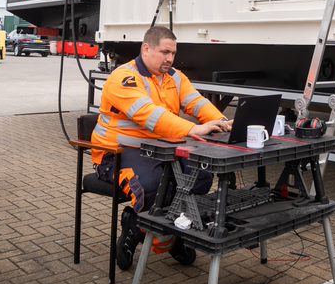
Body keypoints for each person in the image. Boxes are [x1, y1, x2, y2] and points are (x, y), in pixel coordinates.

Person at [92, 25, 231, 268]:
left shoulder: (175, 77)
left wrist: (220, 121)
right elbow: (148, 114)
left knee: (201, 178)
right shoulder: (123, 78)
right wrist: (191, 129)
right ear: (146, 49)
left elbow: (196, 103)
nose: (170, 58)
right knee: (153, 185)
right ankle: (136, 229)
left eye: (173, 53)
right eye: (165, 52)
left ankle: (171, 233)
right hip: (117, 153)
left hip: (161, 150)